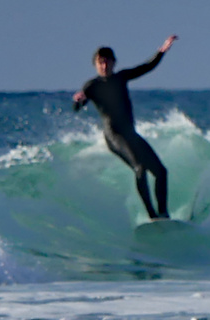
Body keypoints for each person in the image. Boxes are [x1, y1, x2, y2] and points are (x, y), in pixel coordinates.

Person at [73, 35, 178, 220]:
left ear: (114, 63)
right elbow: (78, 107)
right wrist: (78, 101)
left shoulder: (121, 78)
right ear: (95, 65)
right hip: (114, 137)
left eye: (107, 62)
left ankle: (163, 214)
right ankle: (152, 215)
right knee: (139, 167)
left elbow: (146, 67)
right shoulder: (91, 86)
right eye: (100, 63)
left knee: (161, 172)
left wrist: (162, 51)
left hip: (130, 134)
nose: (104, 66)